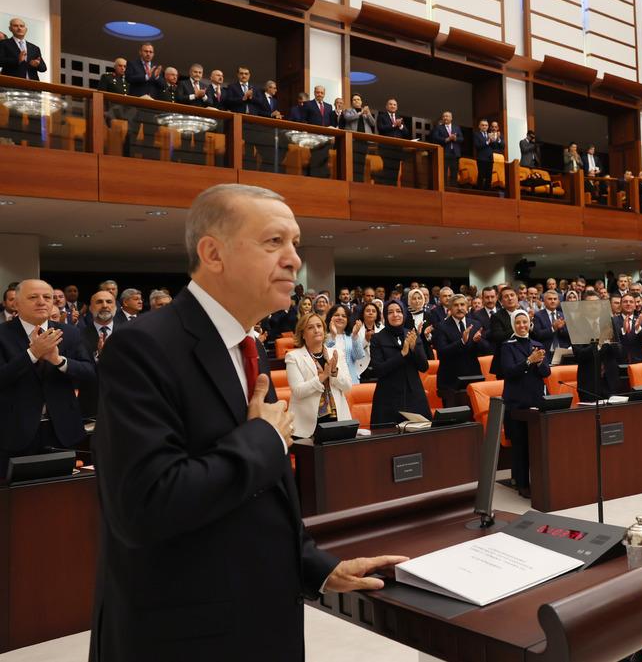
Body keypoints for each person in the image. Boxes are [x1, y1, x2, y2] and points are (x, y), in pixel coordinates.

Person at [90, 184, 407, 661]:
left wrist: (317, 566)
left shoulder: (244, 345)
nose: (294, 259)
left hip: (260, 620)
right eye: (273, 242)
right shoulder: (144, 349)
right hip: (186, 637)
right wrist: (262, 440)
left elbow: (260, 495)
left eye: (295, 243)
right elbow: (145, 506)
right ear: (212, 253)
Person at [0, 279, 95, 471]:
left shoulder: (69, 333)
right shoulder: (2, 334)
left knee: (63, 496)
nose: (41, 302)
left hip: (62, 429)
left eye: (47, 297)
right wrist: (32, 354)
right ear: (16, 303)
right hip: (14, 432)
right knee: (17, 497)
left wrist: (58, 360)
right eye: (33, 297)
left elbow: (90, 372)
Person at [500, 311, 550, 497]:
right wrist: (529, 360)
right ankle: (522, 484)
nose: (522, 325)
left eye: (525, 322)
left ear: (529, 324)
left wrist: (538, 363)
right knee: (520, 444)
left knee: (535, 444)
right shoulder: (507, 346)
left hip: (536, 400)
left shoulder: (537, 344)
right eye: (518, 322)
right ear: (513, 325)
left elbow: (546, 373)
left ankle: (537, 480)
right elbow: (509, 371)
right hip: (516, 402)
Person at [284, 312, 352, 437]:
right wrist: (322, 376)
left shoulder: (336, 353)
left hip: (337, 420)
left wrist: (333, 372)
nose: (316, 330)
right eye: (310, 327)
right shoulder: (293, 357)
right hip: (306, 426)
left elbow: (348, 387)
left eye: (319, 326)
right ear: (303, 334)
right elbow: (298, 391)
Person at [369, 300, 430, 424]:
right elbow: (378, 370)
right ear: (385, 316)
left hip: (413, 394)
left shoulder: (412, 334)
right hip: (388, 397)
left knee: (420, 437)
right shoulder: (377, 338)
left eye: (398, 311)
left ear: (404, 314)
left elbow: (424, 367)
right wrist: (402, 354)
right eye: (390, 312)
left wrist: (414, 349)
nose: (395, 315)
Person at [431, 294, 484, 407]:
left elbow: (486, 349)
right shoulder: (441, 326)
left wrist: (477, 341)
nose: (459, 308)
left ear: (467, 307)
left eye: (462, 305)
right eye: (456, 305)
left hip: (473, 376)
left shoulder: (475, 324)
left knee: (474, 417)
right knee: (454, 419)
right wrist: (462, 342)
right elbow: (442, 352)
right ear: (450, 308)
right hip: (450, 380)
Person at [324, 304, 366, 384]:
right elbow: (324, 355)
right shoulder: (323, 336)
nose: (340, 318)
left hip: (350, 380)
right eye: (336, 315)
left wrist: (355, 335)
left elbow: (359, 356)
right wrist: (333, 335)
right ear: (330, 318)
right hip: (330, 381)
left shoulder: (352, 336)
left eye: (344, 316)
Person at [432, 111, 464, 187]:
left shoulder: (456, 127)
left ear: (451, 118)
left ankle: (453, 191)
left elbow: (462, 139)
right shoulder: (438, 127)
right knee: (443, 173)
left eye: (447, 116)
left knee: (454, 174)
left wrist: (455, 138)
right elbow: (435, 138)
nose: (445, 118)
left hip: (455, 153)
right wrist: (447, 139)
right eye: (444, 116)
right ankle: (444, 190)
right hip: (444, 153)